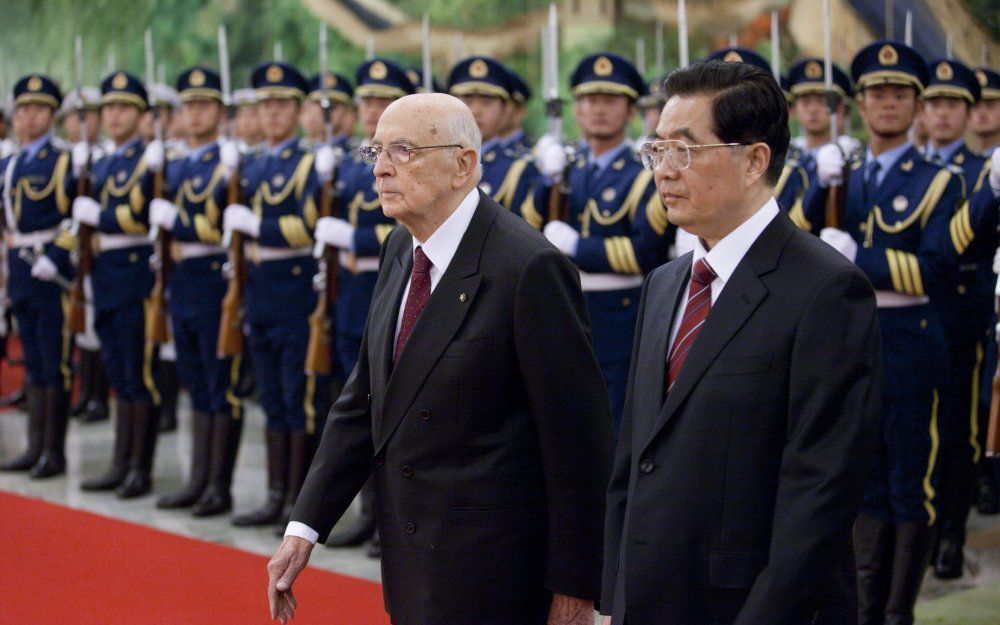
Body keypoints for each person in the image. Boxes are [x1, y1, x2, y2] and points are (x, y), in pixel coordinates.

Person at [266, 93, 613, 625]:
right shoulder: (402, 249)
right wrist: (304, 528)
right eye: (376, 150)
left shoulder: (527, 268)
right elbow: (364, 402)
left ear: (463, 165)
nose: (380, 167)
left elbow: (578, 445)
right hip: (411, 564)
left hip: (495, 576)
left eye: (402, 150)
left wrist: (575, 589)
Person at [601, 59, 881, 625]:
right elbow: (635, 459)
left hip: (750, 605)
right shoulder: (666, 283)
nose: (664, 172)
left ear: (755, 160)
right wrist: (613, 598)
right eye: (656, 151)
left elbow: (819, 495)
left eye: (684, 151)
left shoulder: (825, 290)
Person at [814, 41, 965, 625]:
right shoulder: (840, 175)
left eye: (900, 93)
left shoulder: (938, 181)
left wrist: (862, 258)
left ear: (917, 104)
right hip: (850, 339)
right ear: (859, 102)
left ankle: (898, 612)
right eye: (877, 92)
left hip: (907, 338)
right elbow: (795, 237)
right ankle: (863, 606)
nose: (887, 102)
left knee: (909, 480)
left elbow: (937, 270)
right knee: (863, 479)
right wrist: (812, 185)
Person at [528, 52, 674, 427]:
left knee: (613, 419)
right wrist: (547, 182)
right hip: (563, 308)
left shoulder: (644, 176)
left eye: (611, 101)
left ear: (630, 112)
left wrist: (578, 248)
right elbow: (526, 228)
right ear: (577, 110)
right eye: (590, 101)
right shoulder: (566, 170)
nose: (598, 110)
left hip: (619, 313)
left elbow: (646, 253)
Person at [309, 58, 414, 555]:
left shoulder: (412, 159)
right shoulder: (354, 162)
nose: (372, 108)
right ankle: (365, 511)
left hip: (398, 284)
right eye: (367, 101)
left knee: (393, 408)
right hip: (353, 295)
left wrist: (351, 235)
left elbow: (410, 224)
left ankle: (387, 515)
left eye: (383, 100)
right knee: (356, 404)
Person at [225, 61, 328, 533]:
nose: (270, 113)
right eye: (264, 104)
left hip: (293, 288)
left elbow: (309, 228)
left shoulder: (310, 162)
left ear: (298, 109)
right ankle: (273, 493)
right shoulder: (252, 162)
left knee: (296, 396)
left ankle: (297, 502)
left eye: (281, 104)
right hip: (261, 289)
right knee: (270, 397)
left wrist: (258, 227)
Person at [149, 66, 245, 517]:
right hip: (183, 279)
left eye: (204, 105)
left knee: (218, 382)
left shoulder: (229, 162)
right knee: (194, 382)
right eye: (188, 106)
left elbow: (223, 231)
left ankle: (218, 485)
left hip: (212, 277)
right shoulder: (177, 163)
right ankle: (196, 478)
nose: (194, 113)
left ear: (220, 112)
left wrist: (179, 223)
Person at [73, 71, 162, 498]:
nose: (113, 114)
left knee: (137, 374)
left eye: (124, 107)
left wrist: (99, 216)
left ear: (142, 114)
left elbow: (142, 218)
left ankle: (138, 469)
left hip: (133, 275)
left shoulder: (150, 160)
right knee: (118, 375)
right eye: (108, 107)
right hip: (106, 273)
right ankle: (119, 461)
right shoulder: (103, 161)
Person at [918, 57, 990, 580]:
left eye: (954, 104)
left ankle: (950, 533)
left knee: (956, 429)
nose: (943, 114)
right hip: (910, 314)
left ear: (968, 113)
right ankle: (917, 530)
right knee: (911, 429)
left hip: (959, 312)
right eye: (935, 103)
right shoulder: (910, 167)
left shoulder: (980, 172)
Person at [0, 74, 77, 477]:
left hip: (49, 272)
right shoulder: (9, 162)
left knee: (55, 362)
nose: (27, 117)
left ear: (51, 115)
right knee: (32, 361)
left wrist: (57, 255)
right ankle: (34, 446)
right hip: (19, 269)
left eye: (37, 109)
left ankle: (54, 451)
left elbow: (78, 218)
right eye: (22, 109)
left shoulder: (63, 160)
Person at [447, 56, 537, 216]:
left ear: (506, 109)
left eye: (486, 103)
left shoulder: (516, 167)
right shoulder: (438, 158)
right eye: (467, 101)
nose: (476, 111)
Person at [784, 58, 858, 232]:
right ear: (793, 110)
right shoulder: (784, 158)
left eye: (822, 101)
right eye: (805, 102)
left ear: (839, 109)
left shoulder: (852, 157)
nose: (813, 109)